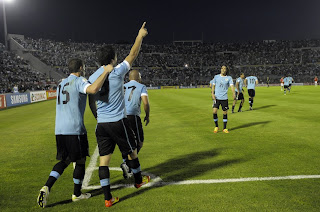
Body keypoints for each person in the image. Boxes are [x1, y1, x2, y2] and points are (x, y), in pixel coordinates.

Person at [88, 22, 150, 208]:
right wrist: (140, 35)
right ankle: (138, 180)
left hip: (102, 125)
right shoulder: (117, 72)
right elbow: (133, 54)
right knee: (132, 151)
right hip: (118, 122)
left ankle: (108, 199)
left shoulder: (92, 77)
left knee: (104, 161)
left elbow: (91, 97)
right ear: (113, 59)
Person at [37, 59, 113, 208]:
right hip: (74, 129)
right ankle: (77, 194)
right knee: (80, 160)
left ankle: (46, 187)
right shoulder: (79, 81)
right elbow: (92, 89)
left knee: (64, 160)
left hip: (59, 129)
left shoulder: (61, 84)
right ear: (80, 68)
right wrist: (105, 71)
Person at [120, 70, 150, 179]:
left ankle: (126, 164)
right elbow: (145, 103)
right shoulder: (141, 86)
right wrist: (147, 115)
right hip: (133, 117)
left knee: (127, 141)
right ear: (138, 77)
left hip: (122, 116)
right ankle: (127, 164)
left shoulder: (123, 86)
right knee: (139, 142)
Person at [211, 65, 235, 133]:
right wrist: (212, 93)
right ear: (220, 69)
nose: (223, 69)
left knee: (225, 112)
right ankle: (216, 126)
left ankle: (225, 128)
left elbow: (232, 86)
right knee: (214, 111)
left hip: (224, 98)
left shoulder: (229, 78)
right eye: (222, 68)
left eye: (224, 69)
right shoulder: (216, 77)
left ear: (226, 70)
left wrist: (233, 93)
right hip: (217, 97)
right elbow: (213, 85)